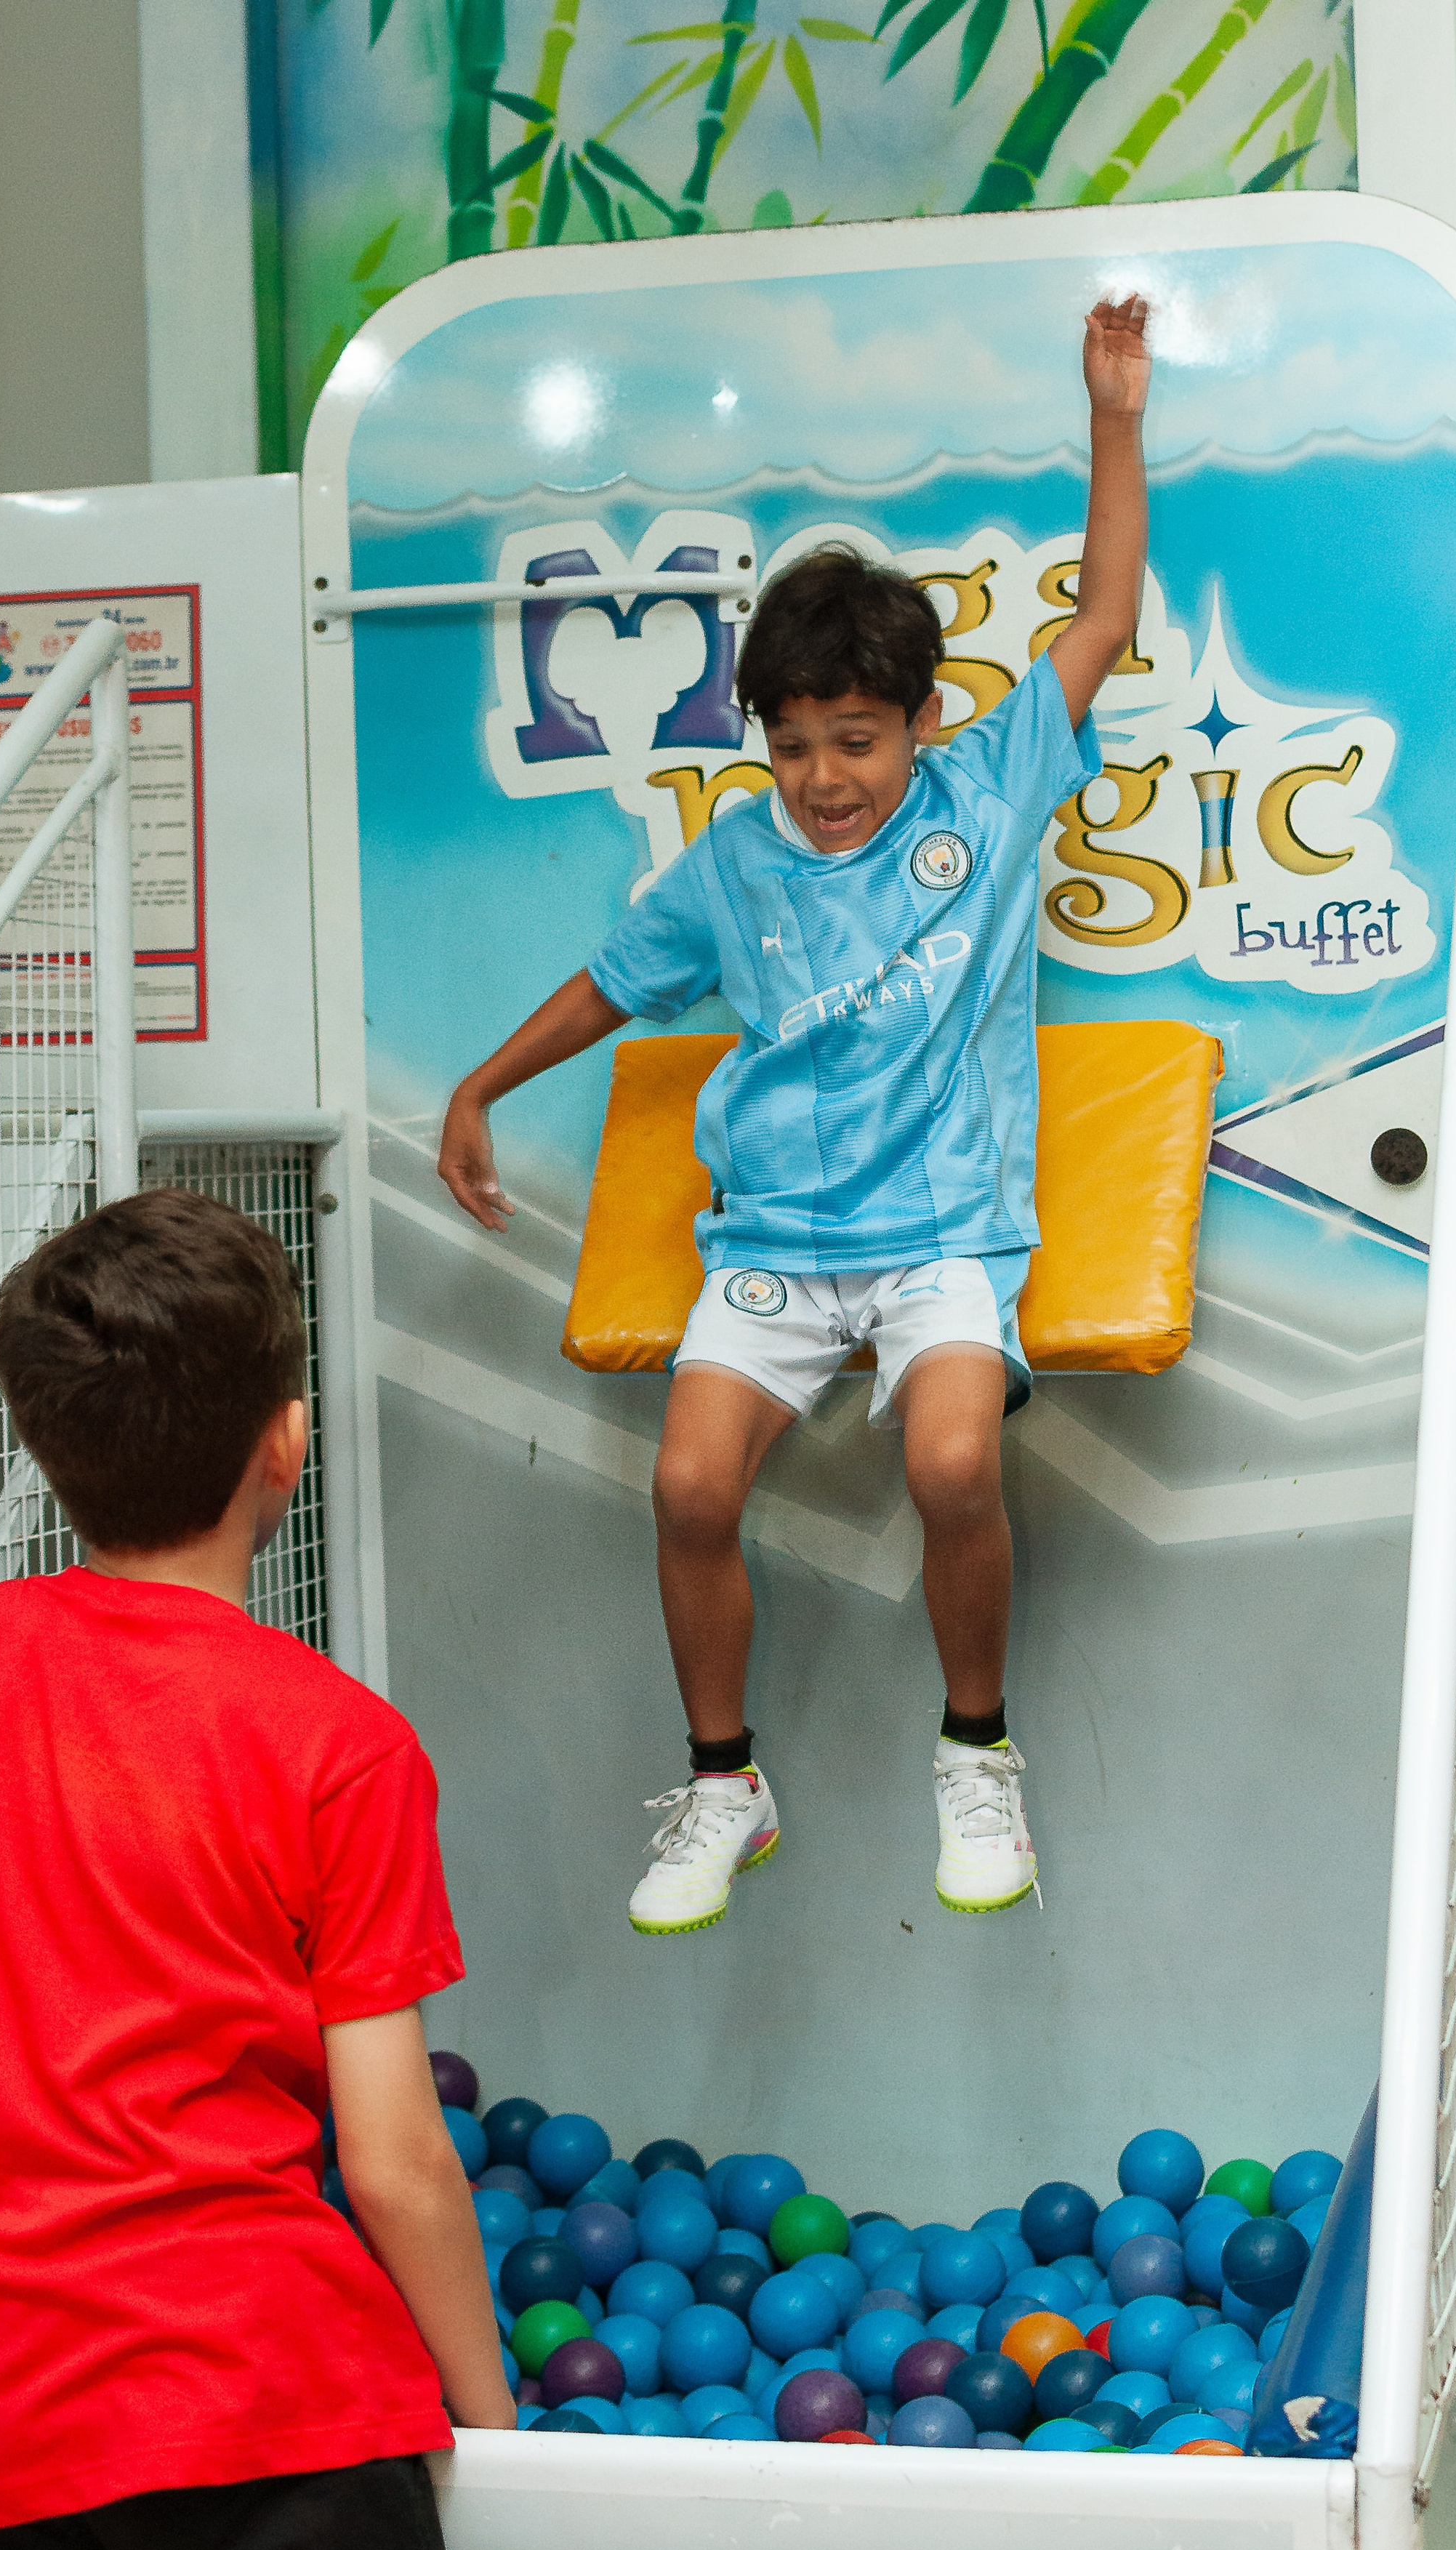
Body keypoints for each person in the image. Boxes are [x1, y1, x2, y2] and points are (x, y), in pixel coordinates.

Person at [439, 294, 1154, 1938]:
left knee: (952, 1453)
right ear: (761, 741)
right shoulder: (734, 864)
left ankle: (975, 1752)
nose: (825, 775)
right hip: (772, 1236)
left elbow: (1104, 612)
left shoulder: (987, 792)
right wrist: (481, 1081)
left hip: (942, 1235)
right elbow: (614, 980)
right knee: (688, 1491)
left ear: (913, 725)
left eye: (856, 739)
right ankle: (723, 1782)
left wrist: (1111, 419)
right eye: (795, 745)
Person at [0, 1188, 513, 2550]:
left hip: (5, 2424)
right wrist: (492, 2412)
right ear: (288, 1443)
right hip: (269, 2414)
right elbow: (395, 2157)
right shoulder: (338, 1743)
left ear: (46, 1444)